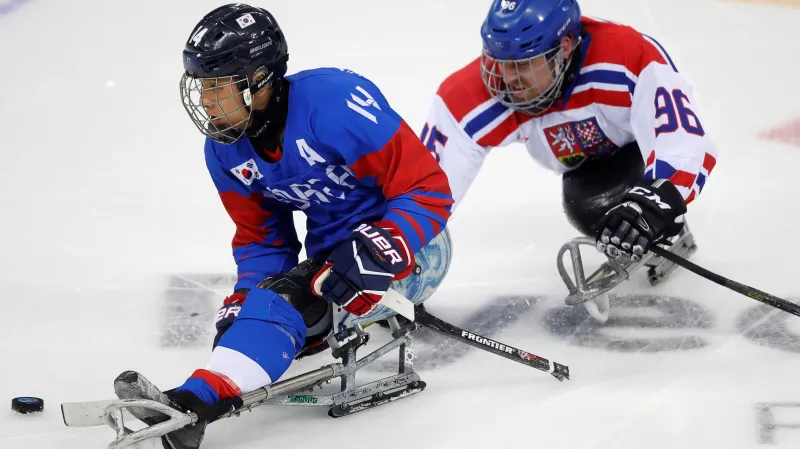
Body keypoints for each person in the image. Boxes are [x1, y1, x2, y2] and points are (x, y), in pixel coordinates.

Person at [124, 4, 454, 448]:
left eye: (217, 86)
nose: (205, 100)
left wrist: (380, 249)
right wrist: (248, 299)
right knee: (273, 303)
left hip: (415, 247)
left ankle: (195, 401)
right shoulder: (224, 151)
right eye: (202, 86)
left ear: (259, 79)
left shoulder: (333, 104)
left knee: (291, 298)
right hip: (329, 264)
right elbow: (263, 242)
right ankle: (203, 393)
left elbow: (427, 189)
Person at [419, 0, 717, 301]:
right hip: (581, 169)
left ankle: (659, 226)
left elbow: (682, 137)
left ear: (564, 46)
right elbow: (424, 189)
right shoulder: (467, 96)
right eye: (498, 61)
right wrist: (395, 253)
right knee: (587, 200)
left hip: (633, 152)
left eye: (521, 64)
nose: (506, 79)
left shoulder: (627, 56)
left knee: (602, 200)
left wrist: (655, 200)